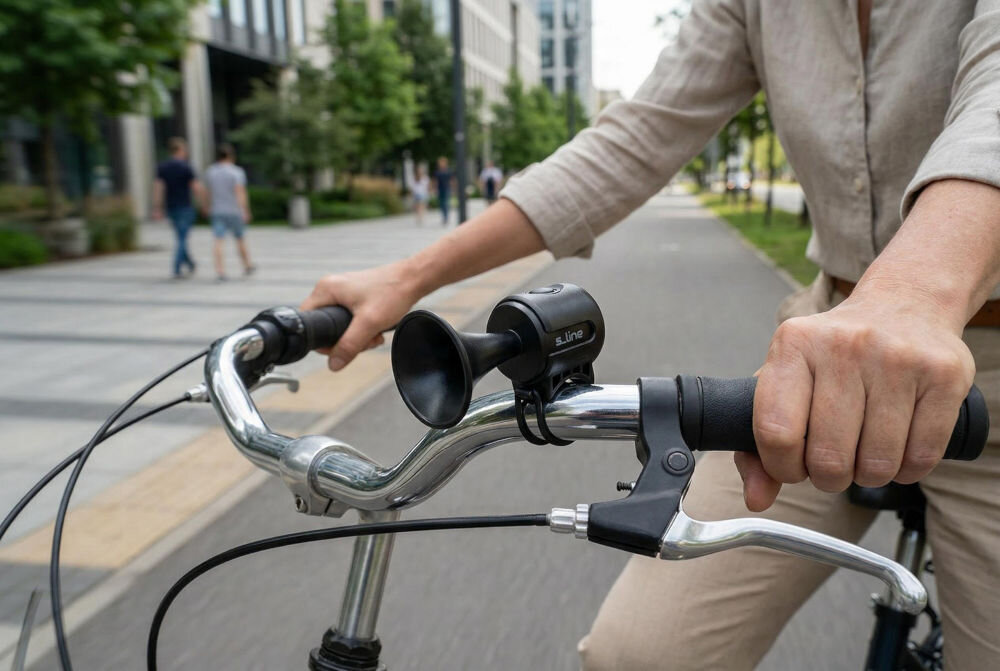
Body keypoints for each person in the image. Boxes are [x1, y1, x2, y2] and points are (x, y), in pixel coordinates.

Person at [301, 2, 1000, 669]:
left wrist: (911, 296)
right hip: (821, 355)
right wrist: (409, 277)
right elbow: (633, 138)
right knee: (642, 653)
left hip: (986, 375)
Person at [204, 144, 254, 281]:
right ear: (231, 156)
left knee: (218, 240)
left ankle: (220, 271)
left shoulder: (210, 172)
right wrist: (244, 209)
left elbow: (208, 192)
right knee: (240, 238)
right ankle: (247, 265)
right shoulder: (236, 172)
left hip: (217, 210)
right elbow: (240, 192)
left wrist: (207, 206)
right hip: (234, 211)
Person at [152, 137, 200, 278]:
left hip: (171, 207)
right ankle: (177, 267)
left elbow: (158, 188)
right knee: (182, 238)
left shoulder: (162, 167)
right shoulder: (186, 167)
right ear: (180, 150)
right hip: (185, 206)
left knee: (180, 237)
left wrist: (157, 207)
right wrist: (203, 204)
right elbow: (196, 187)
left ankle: (190, 263)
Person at [433, 157, 452, 226]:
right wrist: (435, 189)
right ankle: (444, 217)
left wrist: (453, 188)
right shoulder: (437, 172)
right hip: (440, 189)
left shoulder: (448, 171)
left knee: (446, 203)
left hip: (447, 188)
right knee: (441, 204)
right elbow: (435, 181)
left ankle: (446, 217)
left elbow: (451, 180)